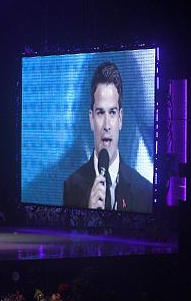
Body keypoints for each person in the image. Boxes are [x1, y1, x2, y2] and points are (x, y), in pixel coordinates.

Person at [63, 62, 152, 213]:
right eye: (100, 113)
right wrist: (89, 213)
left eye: (112, 113)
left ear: (120, 119)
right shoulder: (72, 187)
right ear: (91, 119)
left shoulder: (144, 191)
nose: (106, 125)